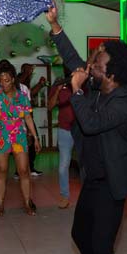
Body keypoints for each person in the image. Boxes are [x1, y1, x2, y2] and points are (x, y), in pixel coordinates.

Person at [47, 6, 127, 254]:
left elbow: (91, 123)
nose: (90, 67)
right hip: (93, 179)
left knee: (102, 247)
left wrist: (76, 91)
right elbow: (74, 62)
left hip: (112, 185)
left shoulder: (125, 102)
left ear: (110, 73)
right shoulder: (102, 89)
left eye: (96, 64)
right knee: (79, 235)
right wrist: (56, 26)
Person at [0, 59, 41, 216]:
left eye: (6, 80)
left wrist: (35, 138)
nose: (3, 84)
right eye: (1, 80)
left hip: (19, 135)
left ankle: (27, 204)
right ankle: (1, 205)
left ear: (13, 80)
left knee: (23, 171)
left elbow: (28, 118)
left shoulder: (22, 97)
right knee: (1, 171)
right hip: (1, 135)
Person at [47, 70, 75, 209]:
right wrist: (58, 90)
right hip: (64, 130)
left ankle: (90, 196)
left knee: (88, 165)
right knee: (63, 166)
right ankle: (65, 196)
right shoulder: (59, 84)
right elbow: (50, 106)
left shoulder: (83, 83)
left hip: (83, 131)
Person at [17, 63, 46, 177]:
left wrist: (40, 84)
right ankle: (24, 169)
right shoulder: (20, 78)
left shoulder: (26, 80)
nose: (31, 71)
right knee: (28, 144)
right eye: (29, 69)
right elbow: (21, 87)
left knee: (29, 144)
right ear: (24, 69)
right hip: (22, 118)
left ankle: (25, 169)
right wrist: (27, 73)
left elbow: (31, 93)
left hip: (27, 116)